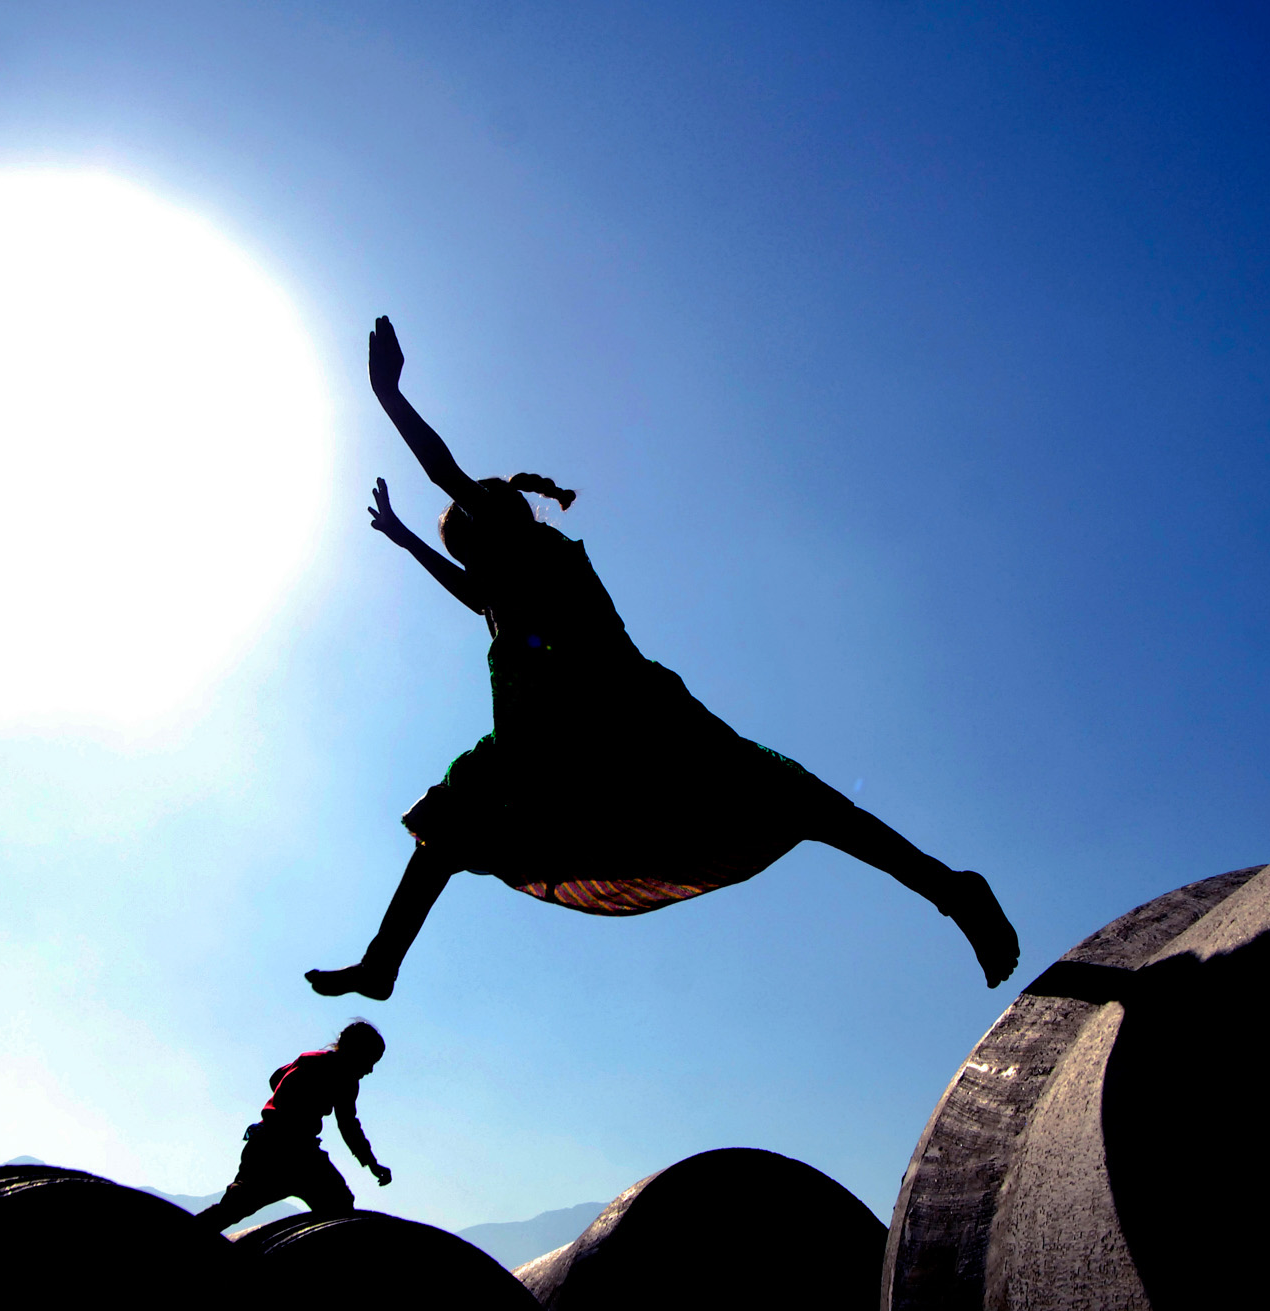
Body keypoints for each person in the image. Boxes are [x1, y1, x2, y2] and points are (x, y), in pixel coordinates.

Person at [305, 317, 1019, 1003]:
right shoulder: (502, 593)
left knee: (801, 802)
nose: (473, 556)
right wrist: (405, 540)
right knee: (452, 823)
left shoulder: (538, 554)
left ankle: (952, 890)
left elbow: (448, 475)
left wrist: (391, 399)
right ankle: (382, 962)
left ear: (499, 526)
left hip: (634, 720)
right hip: (551, 747)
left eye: (471, 535)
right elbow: (472, 592)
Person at [194, 1021, 392, 1232]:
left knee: (232, 1209)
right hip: (296, 1154)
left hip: (265, 1142)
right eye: (369, 1061)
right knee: (339, 1208)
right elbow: (348, 1125)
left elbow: (275, 1077)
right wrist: (371, 1163)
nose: (370, 1070)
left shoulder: (308, 1059)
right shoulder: (345, 1076)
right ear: (355, 1052)